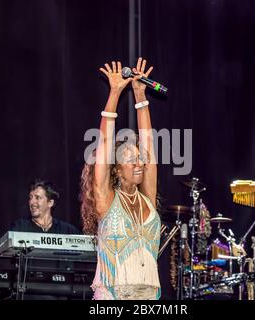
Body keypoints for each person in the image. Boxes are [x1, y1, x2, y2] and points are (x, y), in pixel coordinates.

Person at [80, 57, 161, 300]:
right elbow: (105, 143)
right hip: (113, 296)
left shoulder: (147, 198)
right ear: (116, 168)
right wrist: (115, 92)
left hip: (149, 297)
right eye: (130, 159)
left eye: (139, 158)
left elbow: (148, 141)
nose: (139, 163)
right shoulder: (107, 200)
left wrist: (140, 95)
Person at [10, 179, 79, 234]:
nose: (31, 202)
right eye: (30, 198)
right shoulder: (20, 228)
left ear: (50, 203)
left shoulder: (68, 231)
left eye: (37, 197)